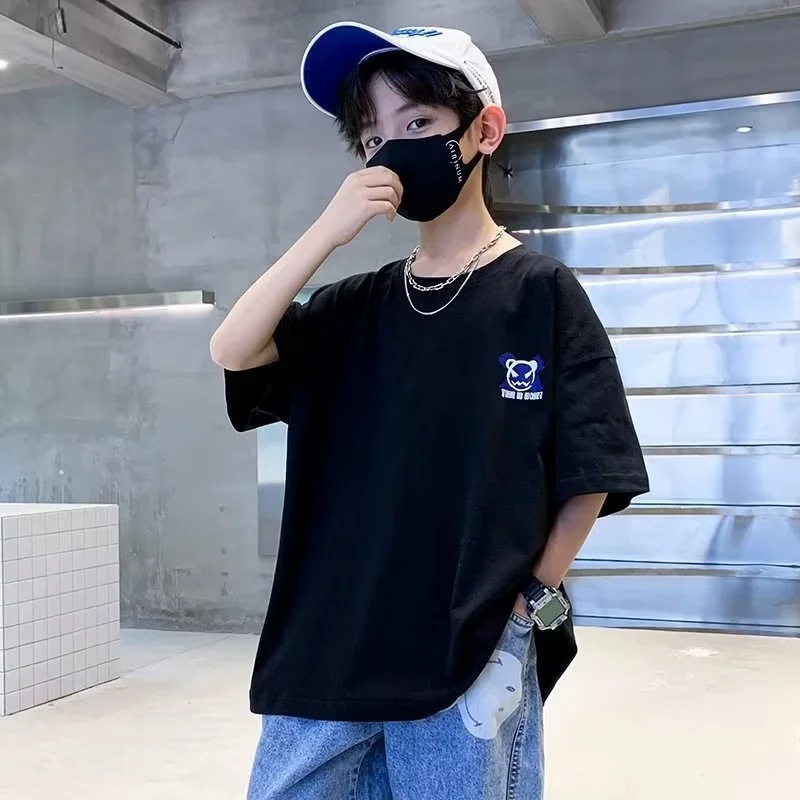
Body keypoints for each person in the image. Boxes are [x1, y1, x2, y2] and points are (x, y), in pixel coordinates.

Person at [211, 21, 649, 800]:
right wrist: (326, 233)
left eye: (417, 124)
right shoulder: (354, 307)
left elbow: (591, 468)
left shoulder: (539, 294)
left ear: (485, 129)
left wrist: (529, 603)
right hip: (331, 643)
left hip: (467, 643)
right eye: (373, 138)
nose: (392, 152)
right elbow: (234, 349)